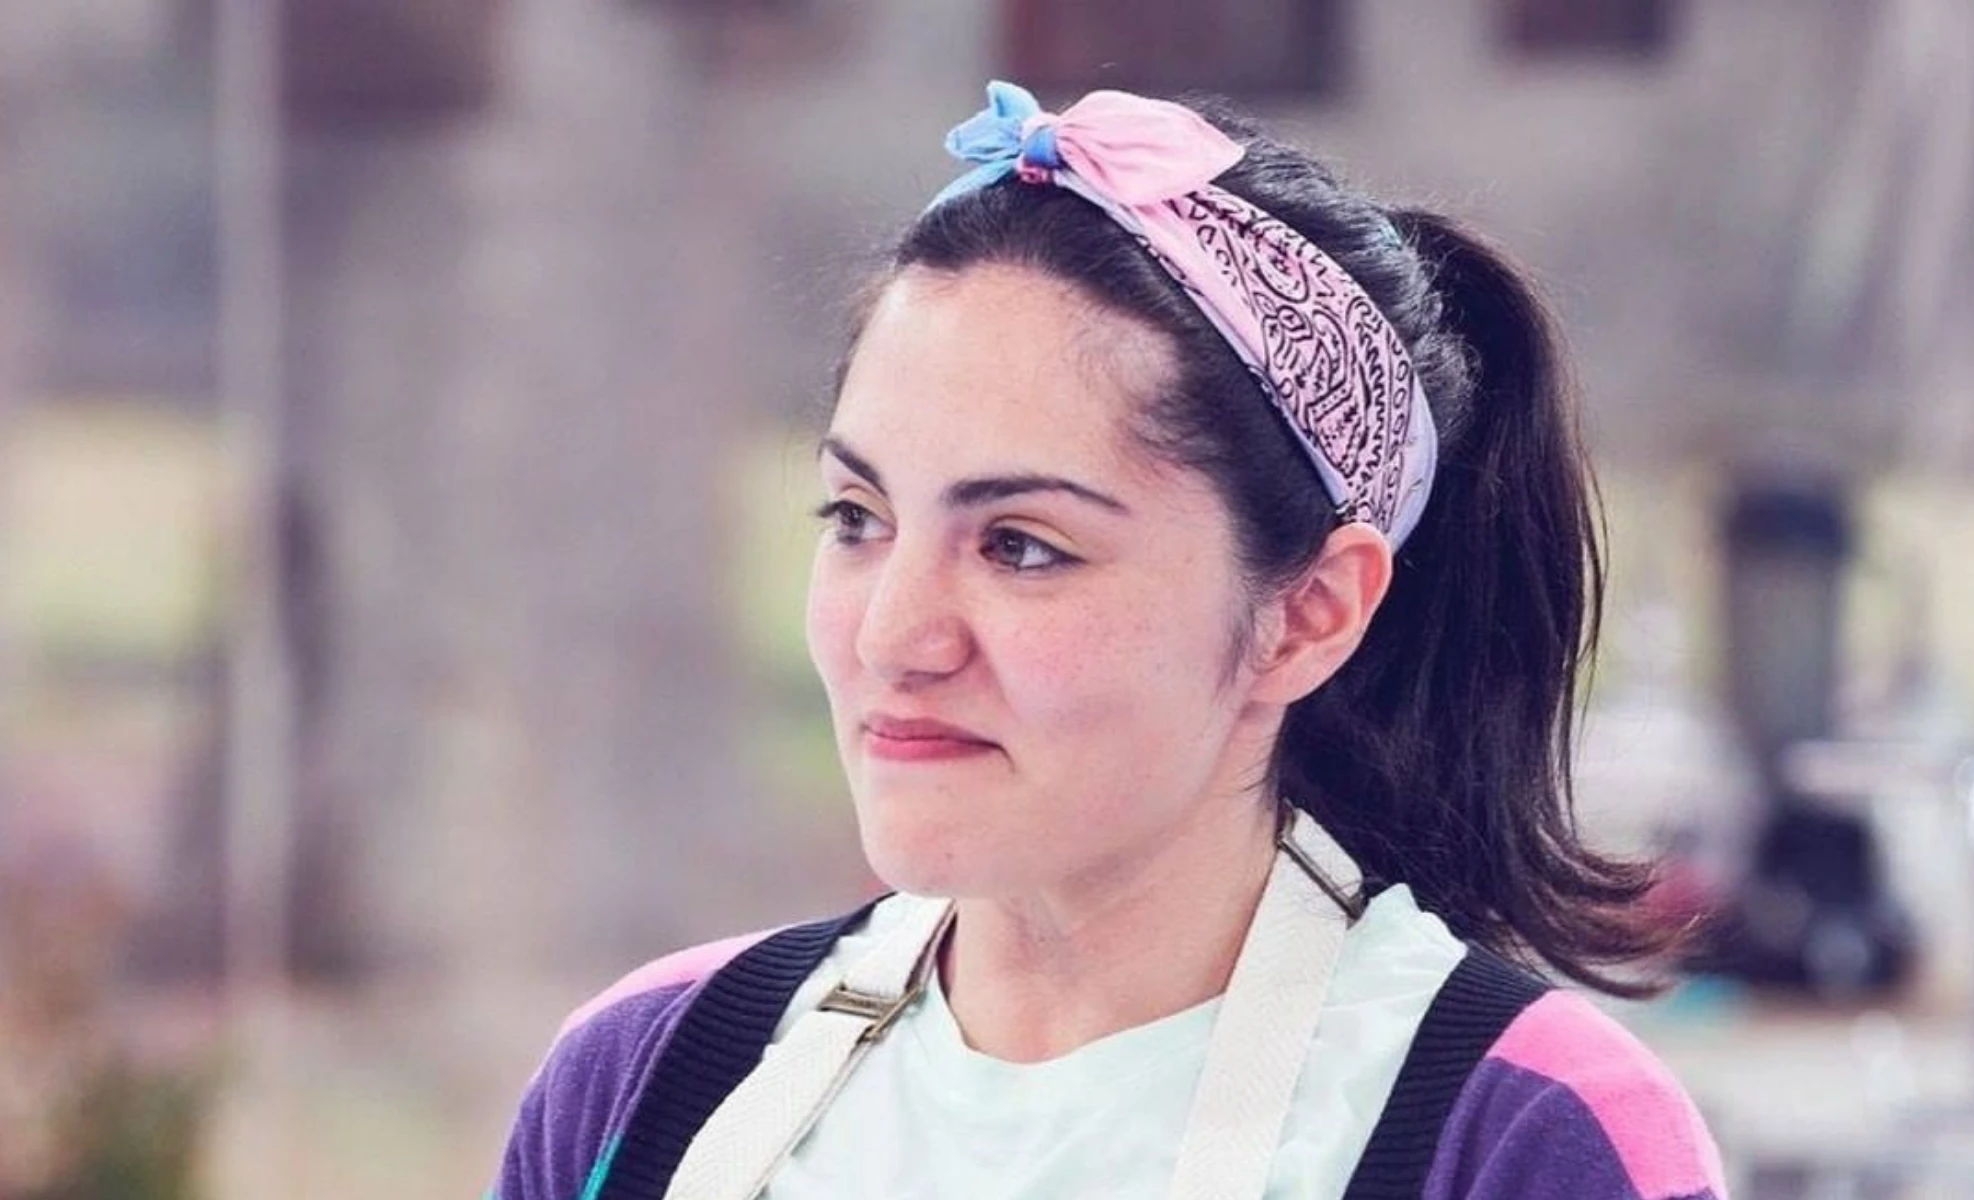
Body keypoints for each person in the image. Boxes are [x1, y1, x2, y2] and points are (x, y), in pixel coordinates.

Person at [491, 81, 1726, 1200]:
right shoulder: (650, 1074)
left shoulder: (1519, 1132)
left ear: (1309, 613)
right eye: (858, 518)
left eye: (1021, 545)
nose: (894, 637)